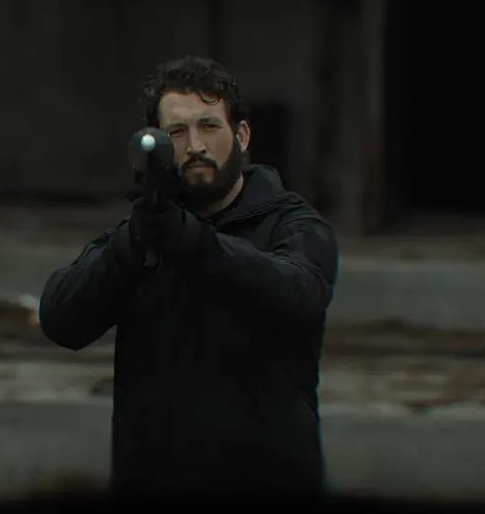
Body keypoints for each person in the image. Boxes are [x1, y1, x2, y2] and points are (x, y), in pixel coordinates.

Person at [38, 56, 339, 500]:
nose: (195, 145)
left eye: (209, 126)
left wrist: (189, 242)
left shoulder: (292, 225)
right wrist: (135, 242)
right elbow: (61, 319)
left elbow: (298, 294)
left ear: (241, 135)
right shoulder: (144, 232)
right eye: (177, 132)